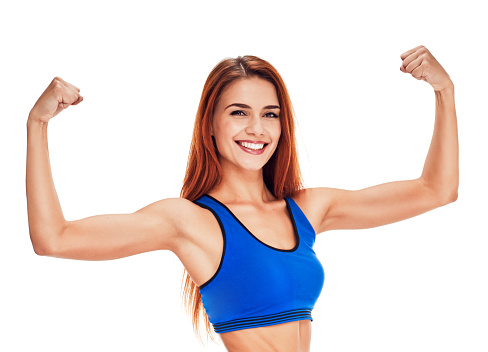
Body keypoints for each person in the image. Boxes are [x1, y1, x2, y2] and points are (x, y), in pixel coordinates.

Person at [26, 45, 458, 352]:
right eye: (239, 113)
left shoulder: (307, 210)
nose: (257, 129)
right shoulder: (189, 223)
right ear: (209, 125)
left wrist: (445, 92)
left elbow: (436, 190)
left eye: (270, 115)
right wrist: (37, 124)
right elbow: (55, 238)